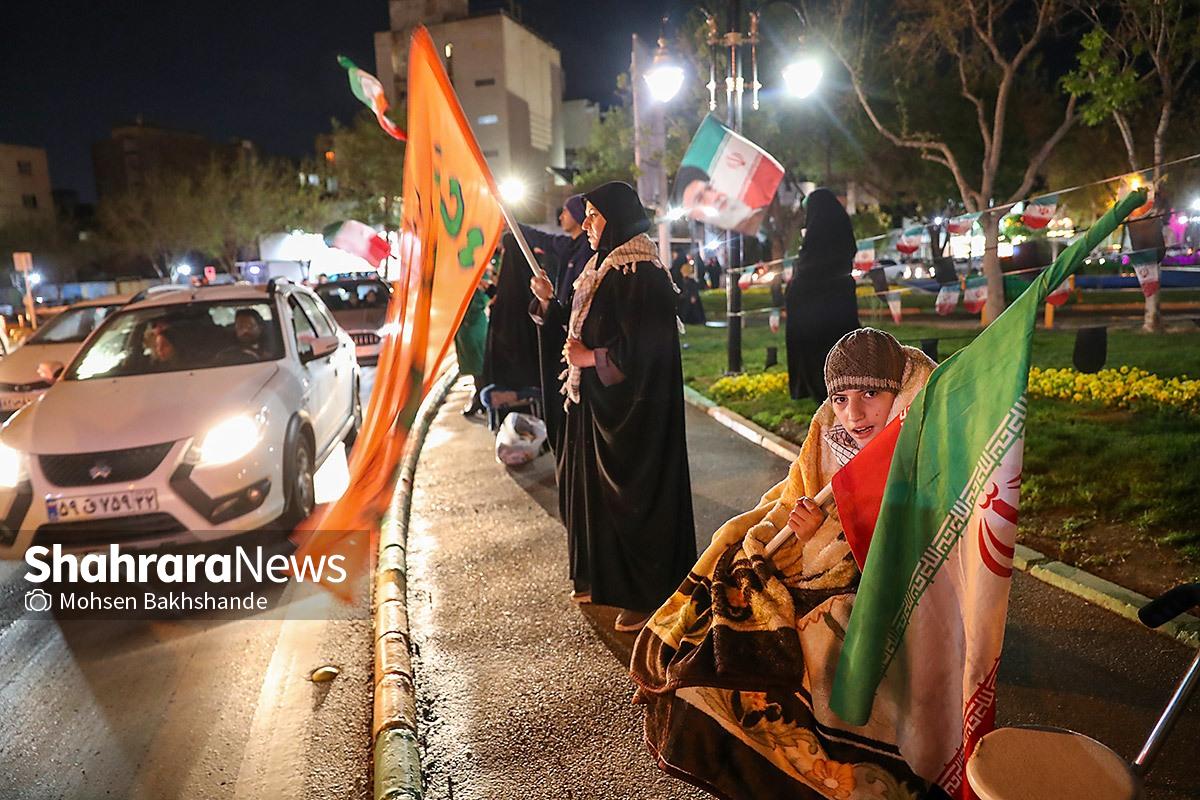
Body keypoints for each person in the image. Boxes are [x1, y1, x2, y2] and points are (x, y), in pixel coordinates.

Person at [631, 328, 937, 799]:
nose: (854, 414)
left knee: (782, 658)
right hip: (809, 557)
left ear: (898, 391)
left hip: (866, 583)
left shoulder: (919, 440)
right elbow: (796, 492)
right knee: (731, 557)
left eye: (870, 394)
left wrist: (819, 540)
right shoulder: (828, 432)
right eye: (841, 398)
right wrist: (790, 534)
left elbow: (903, 544)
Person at [532, 181, 696, 633]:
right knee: (596, 497)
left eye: (594, 215)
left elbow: (649, 351)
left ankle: (648, 594)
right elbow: (581, 329)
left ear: (617, 217)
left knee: (634, 499)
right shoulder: (602, 268)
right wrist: (548, 303)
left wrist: (592, 358)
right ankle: (602, 579)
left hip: (635, 416)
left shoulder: (641, 272)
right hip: (599, 407)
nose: (586, 224)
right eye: (585, 214)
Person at [524, 194, 595, 455]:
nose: (561, 217)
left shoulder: (593, 255)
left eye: (593, 217)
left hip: (582, 343)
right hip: (567, 335)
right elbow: (542, 239)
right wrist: (548, 301)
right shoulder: (570, 246)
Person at [785, 188, 861, 402]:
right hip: (840, 297)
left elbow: (807, 268)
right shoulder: (842, 230)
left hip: (810, 302)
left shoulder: (814, 239)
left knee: (815, 348)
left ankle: (814, 386)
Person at [482, 233, 542, 392]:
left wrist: (494, 306)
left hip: (511, 368)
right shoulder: (528, 277)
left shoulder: (510, 278)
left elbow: (504, 310)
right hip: (530, 363)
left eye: (504, 251)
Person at [454, 283, 489, 416]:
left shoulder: (471, 277)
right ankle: (482, 397)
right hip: (469, 323)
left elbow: (480, 299)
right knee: (477, 364)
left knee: (477, 364)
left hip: (470, 323)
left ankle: (480, 397)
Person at [675, 261, 707, 326]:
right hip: (686, 298)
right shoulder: (683, 280)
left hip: (689, 298)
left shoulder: (690, 280)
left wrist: (693, 296)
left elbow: (693, 289)